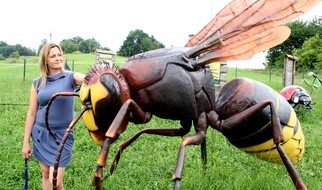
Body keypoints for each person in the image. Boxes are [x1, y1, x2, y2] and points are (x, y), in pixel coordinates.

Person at [22, 43, 85, 190]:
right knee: (45, 174)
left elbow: (89, 79)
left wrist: (101, 76)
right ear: (45, 61)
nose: (58, 58)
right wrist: (26, 142)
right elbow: (31, 113)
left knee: (55, 181)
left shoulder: (70, 77)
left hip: (62, 136)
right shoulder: (37, 83)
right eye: (53, 56)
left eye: (59, 55)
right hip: (40, 133)